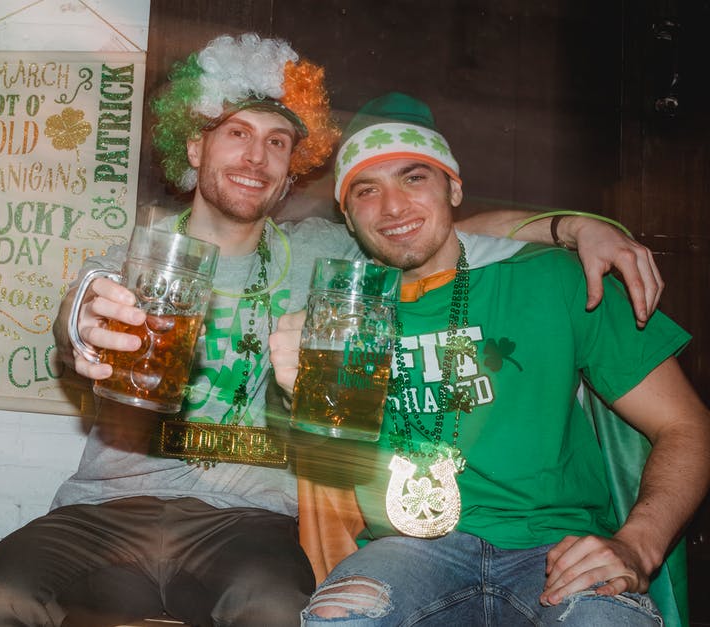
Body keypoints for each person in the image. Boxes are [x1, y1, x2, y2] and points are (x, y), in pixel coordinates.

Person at [0, 34, 662, 627]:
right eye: (235, 133)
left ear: (294, 165)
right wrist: (80, 326)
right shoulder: (137, 258)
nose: (256, 157)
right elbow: (78, 319)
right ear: (195, 148)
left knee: (275, 607)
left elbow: (429, 226)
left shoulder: (328, 253)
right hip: (107, 510)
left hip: (246, 521)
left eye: (277, 141)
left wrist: (574, 227)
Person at [269, 92, 710, 626]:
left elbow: (686, 425)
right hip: (408, 553)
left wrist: (637, 545)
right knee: (346, 616)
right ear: (347, 215)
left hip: (556, 549)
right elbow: (327, 465)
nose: (392, 208)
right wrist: (297, 393)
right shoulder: (346, 308)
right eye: (367, 190)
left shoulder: (555, 279)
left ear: (454, 188)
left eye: (414, 178)